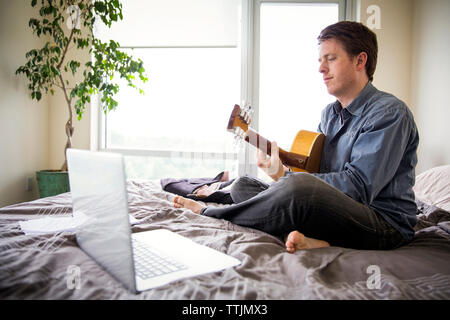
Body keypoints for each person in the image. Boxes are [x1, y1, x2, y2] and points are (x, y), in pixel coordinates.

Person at [173, 21, 419, 253]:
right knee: (243, 185)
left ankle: (209, 213)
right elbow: (315, 173)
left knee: (294, 187)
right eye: (321, 60)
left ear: (360, 60)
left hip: (383, 223)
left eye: (331, 59)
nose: (321, 68)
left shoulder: (389, 113)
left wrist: (286, 178)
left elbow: (358, 188)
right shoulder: (330, 114)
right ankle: (319, 240)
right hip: (338, 213)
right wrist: (280, 171)